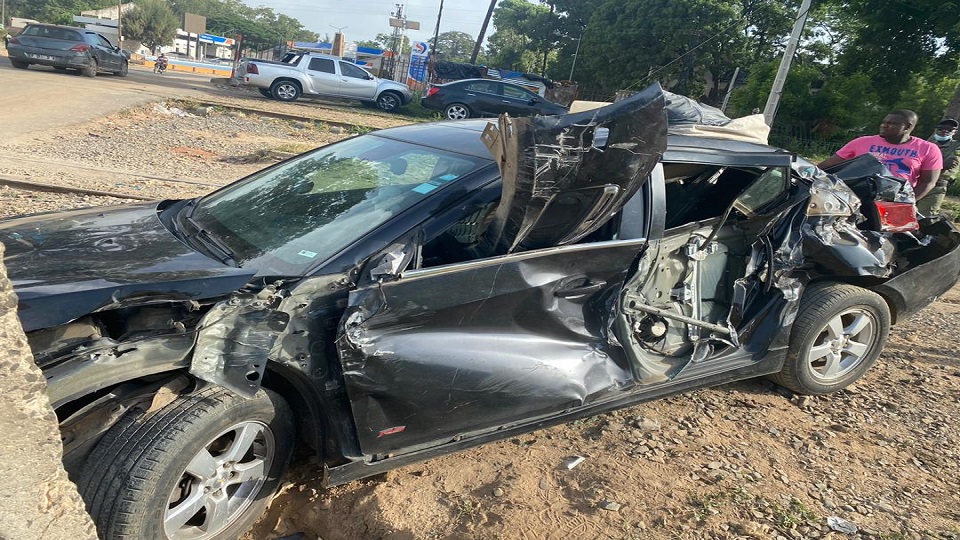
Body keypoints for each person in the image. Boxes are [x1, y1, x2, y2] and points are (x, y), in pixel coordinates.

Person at [818, 110, 942, 206]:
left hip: (894, 200)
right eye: (884, 122)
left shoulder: (928, 149)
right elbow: (829, 164)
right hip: (853, 196)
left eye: (891, 123)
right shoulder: (861, 142)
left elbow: (928, 182)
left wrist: (906, 203)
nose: (884, 126)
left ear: (907, 127)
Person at [918, 118, 960, 215]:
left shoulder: (957, 146)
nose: (945, 131)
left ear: (955, 132)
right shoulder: (924, 144)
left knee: (925, 216)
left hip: (937, 187)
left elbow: (951, 164)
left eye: (949, 129)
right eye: (941, 128)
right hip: (916, 184)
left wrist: (925, 164)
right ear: (935, 130)